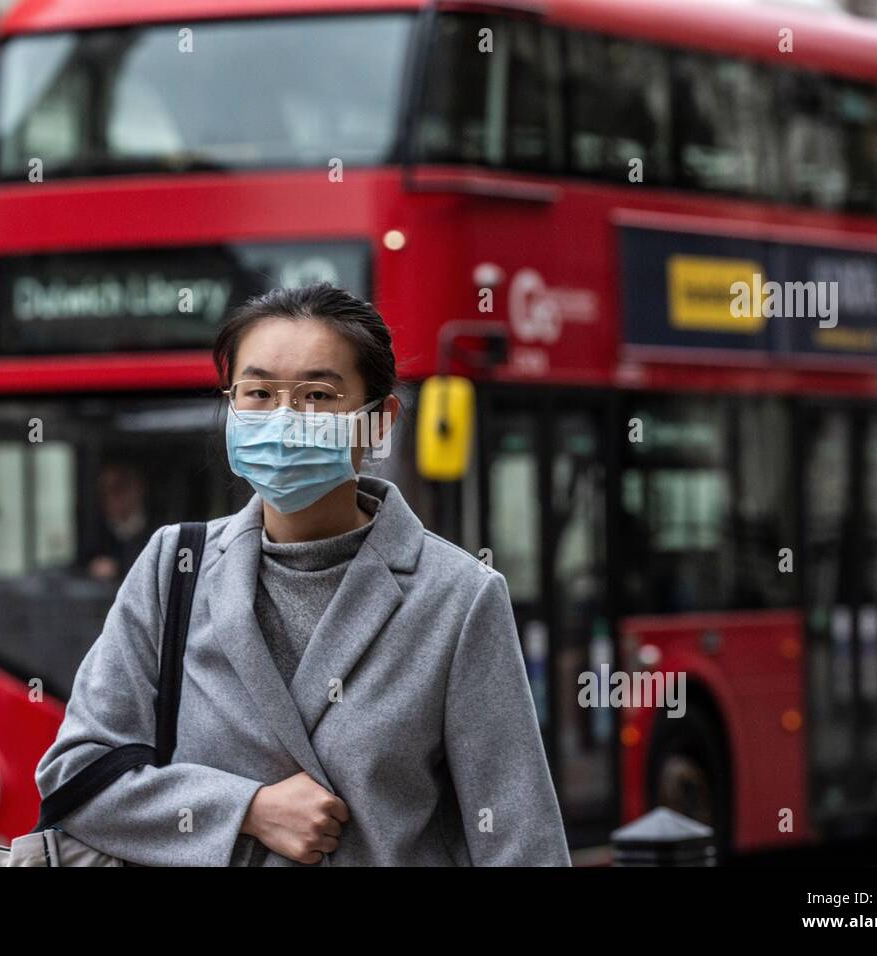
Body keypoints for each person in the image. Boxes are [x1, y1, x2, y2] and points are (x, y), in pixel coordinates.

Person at [35, 281, 572, 866]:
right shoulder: (174, 567)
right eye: (259, 392)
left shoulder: (458, 597)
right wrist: (247, 809)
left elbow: (520, 843)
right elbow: (74, 776)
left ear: (379, 421)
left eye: (318, 395)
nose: (284, 419)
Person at [80, 459, 152, 581]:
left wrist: (119, 569)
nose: (111, 497)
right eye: (104, 491)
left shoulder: (161, 531)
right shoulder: (93, 534)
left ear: (137, 489)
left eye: (118, 489)